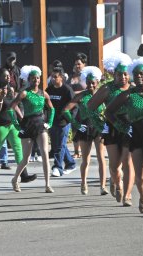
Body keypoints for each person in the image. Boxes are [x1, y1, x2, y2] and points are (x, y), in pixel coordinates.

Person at [105, 57, 143, 217]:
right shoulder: (128, 94)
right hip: (135, 134)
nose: (139, 76)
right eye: (136, 74)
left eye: (142, 73)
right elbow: (109, 111)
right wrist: (122, 126)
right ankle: (142, 196)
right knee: (139, 173)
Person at [87, 52, 138, 206]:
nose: (123, 77)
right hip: (112, 127)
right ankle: (115, 181)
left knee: (128, 163)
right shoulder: (107, 89)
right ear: (113, 75)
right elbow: (90, 107)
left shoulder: (134, 88)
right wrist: (101, 125)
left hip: (129, 127)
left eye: (125, 74)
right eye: (119, 74)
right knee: (115, 166)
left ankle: (127, 194)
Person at [0, 67, 36, 183]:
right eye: (6, 76)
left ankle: (24, 175)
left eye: (9, 76)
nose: (9, 78)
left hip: (12, 124)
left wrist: (22, 119)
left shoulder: (10, 89)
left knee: (18, 148)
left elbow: (15, 105)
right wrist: (1, 98)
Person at [63, 66, 108, 195]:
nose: (90, 85)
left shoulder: (103, 95)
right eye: (88, 83)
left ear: (97, 82)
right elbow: (66, 110)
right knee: (86, 159)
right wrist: (76, 124)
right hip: (85, 128)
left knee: (101, 158)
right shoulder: (81, 96)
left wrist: (106, 122)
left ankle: (103, 186)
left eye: (93, 83)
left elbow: (110, 108)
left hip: (99, 128)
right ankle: (83, 183)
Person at [10, 65, 55, 193]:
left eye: (38, 78)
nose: (36, 80)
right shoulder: (24, 93)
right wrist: (16, 125)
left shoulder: (43, 93)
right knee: (26, 158)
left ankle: (47, 184)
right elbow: (10, 108)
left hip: (40, 124)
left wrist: (50, 122)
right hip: (27, 124)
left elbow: (52, 108)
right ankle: (15, 179)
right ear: (29, 80)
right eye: (33, 78)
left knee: (45, 152)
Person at [46, 67, 76, 177]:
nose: (53, 79)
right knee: (56, 145)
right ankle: (71, 163)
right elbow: (45, 106)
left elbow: (74, 105)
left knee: (60, 145)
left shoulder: (67, 90)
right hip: (52, 121)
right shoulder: (49, 90)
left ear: (61, 78)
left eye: (55, 77)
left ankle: (57, 167)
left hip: (64, 122)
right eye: (51, 77)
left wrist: (70, 119)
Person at [68, 53, 88, 159]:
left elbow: (88, 90)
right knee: (75, 127)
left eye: (79, 64)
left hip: (84, 104)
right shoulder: (71, 77)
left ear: (84, 64)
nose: (77, 66)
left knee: (84, 127)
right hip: (74, 105)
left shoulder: (86, 77)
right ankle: (76, 151)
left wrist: (76, 93)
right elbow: (67, 89)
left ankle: (85, 149)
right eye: (76, 64)